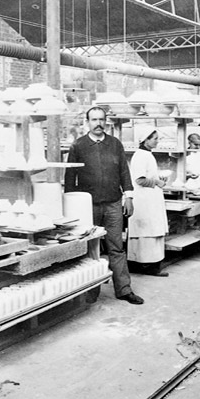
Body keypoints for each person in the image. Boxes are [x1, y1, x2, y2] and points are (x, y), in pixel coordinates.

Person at [64, 106, 144, 305]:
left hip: (113, 203)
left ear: (106, 121)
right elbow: (69, 179)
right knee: (90, 248)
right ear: (87, 122)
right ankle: (90, 291)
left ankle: (124, 289)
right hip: (87, 206)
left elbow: (124, 172)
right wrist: (70, 206)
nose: (98, 124)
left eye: (101, 120)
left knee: (116, 247)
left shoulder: (115, 144)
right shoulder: (78, 146)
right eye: (94, 120)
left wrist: (129, 197)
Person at [127, 127, 169, 277]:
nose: (157, 141)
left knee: (152, 233)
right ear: (145, 140)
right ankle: (144, 266)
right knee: (146, 234)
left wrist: (158, 179)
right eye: (155, 138)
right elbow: (139, 179)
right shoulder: (140, 156)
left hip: (150, 199)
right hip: (144, 201)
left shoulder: (147, 154)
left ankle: (151, 265)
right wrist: (157, 182)